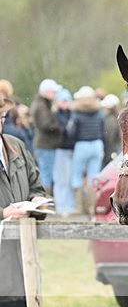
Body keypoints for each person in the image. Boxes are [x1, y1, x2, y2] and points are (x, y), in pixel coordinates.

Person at [0, 91, 48, 307]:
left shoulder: (16, 148)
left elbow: (37, 186)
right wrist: (3, 212)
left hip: (19, 265)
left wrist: (35, 205)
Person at [68, 86, 105, 216]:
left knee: (76, 176)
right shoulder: (98, 112)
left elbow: (71, 132)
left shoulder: (76, 113)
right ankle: (92, 208)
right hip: (97, 144)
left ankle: (79, 208)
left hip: (82, 144)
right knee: (93, 177)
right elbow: (102, 129)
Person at [29, 78, 62, 194]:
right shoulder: (41, 105)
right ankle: (44, 200)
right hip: (45, 145)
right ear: (46, 92)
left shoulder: (42, 104)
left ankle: (45, 200)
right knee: (46, 175)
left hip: (46, 145)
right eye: (53, 91)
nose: (55, 94)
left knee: (46, 174)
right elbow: (46, 124)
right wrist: (59, 127)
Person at [52, 87, 76, 217]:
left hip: (72, 149)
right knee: (62, 179)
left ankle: (70, 205)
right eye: (63, 100)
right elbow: (63, 130)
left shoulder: (71, 113)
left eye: (67, 100)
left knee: (71, 179)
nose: (66, 103)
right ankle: (61, 206)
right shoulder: (55, 115)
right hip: (61, 149)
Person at [100, 93, 122, 166]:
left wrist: (107, 154)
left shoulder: (110, 120)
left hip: (111, 152)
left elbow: (109, 138)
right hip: (114, 150)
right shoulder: (117, 117)